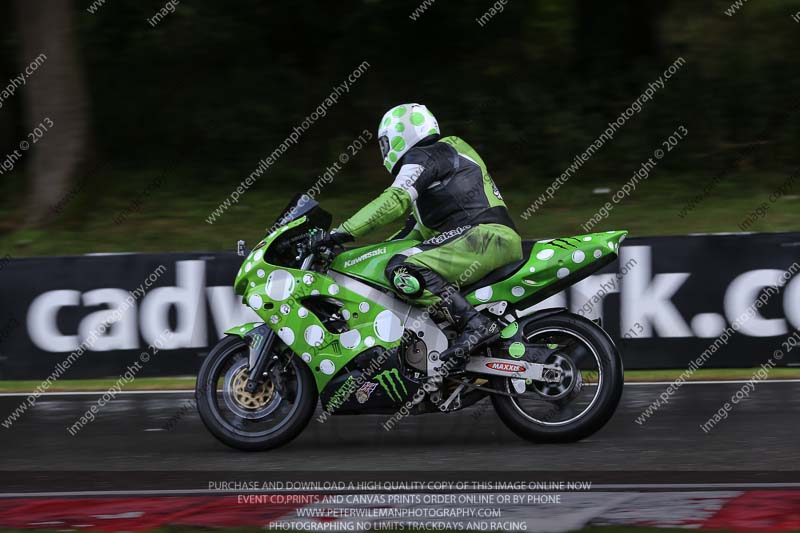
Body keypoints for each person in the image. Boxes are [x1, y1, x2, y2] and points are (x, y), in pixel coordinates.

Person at [324, 103, 522, 373]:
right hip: (480, 237)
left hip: (483, 236)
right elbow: (408, 235)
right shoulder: (438, 164)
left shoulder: (430, 154)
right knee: (397, 262)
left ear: (400, 134)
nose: (383, 153)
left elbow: (394, 200)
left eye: (384, 144)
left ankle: (475, 325)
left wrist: (339, 233)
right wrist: (354, 257)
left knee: (403, 268)